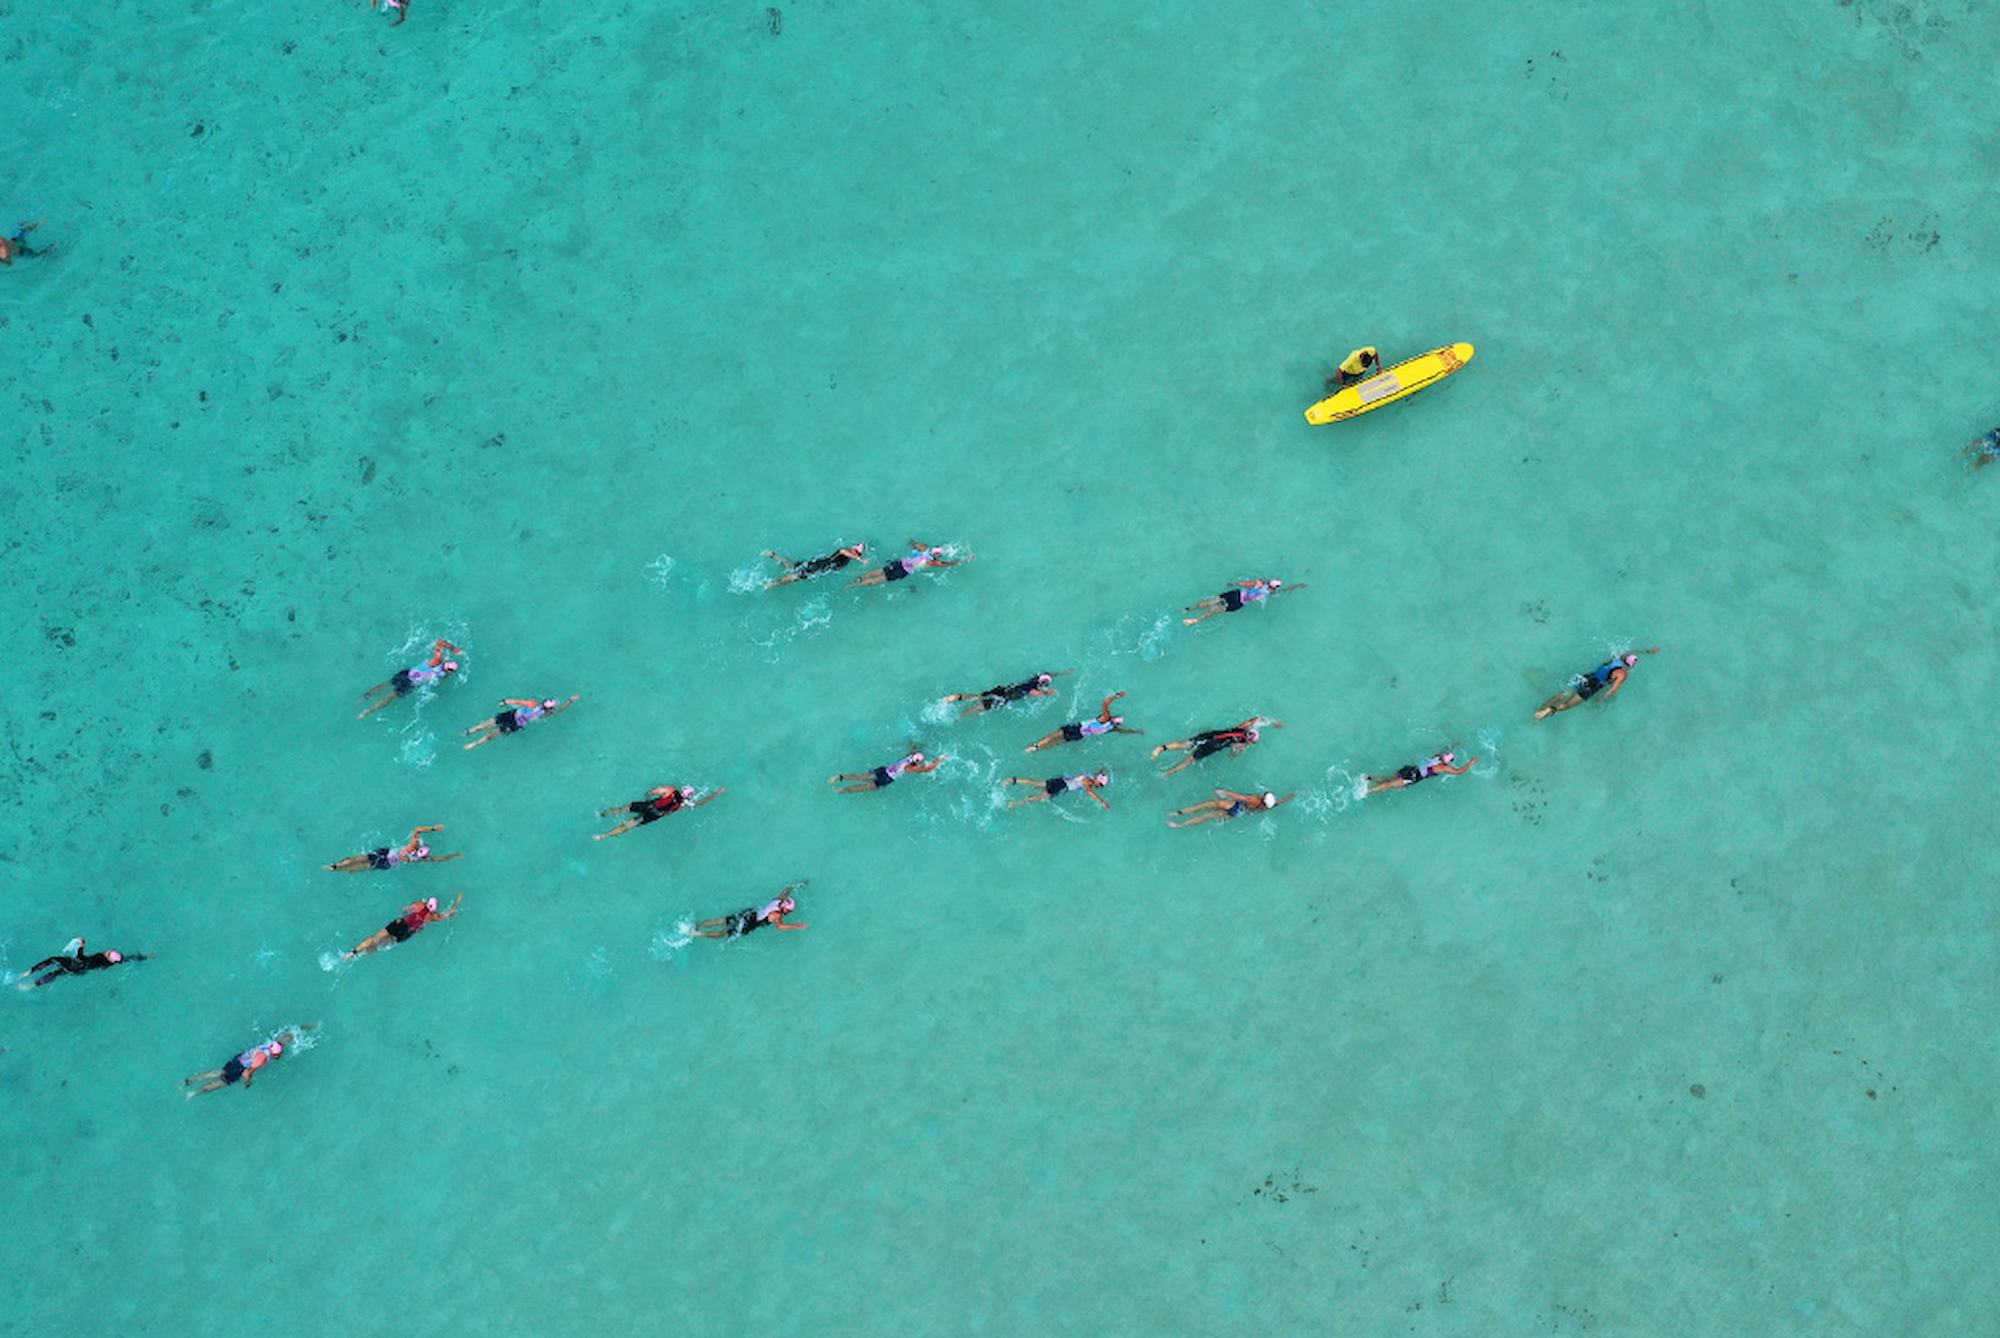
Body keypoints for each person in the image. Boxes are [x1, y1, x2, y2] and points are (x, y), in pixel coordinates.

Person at [182, 1023, 317, 1098]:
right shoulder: (262, 1059)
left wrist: (308, 1027)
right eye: (279, 1054)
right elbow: (247, 1071)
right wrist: (248, 1082)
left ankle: (190, 1080)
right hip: (241, 1068)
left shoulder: (272, 1045)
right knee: (222, 1082)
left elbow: (290, 1034)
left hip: (239, 1059)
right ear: (275, 1054)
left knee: (219, 1072)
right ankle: (194, 1093)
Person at [1534, 648, 1660, 720]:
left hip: (1588, 677)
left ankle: (1542, 707)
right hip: (1594, 686)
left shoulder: (1617, 659)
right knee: (1569, 704)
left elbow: (1632, 652)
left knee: (1565, 694)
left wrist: (1647, 651)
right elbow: (1613, 689)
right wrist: (1603, 697)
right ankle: (1551, 710)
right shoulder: (1622, 673)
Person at [358, 639, 463, 718]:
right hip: (410, 684)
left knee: (387, 684)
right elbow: (441, 678)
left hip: (407, 673)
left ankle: (365, 697)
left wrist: (453, 648)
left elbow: (439, 642)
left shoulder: (437, 660)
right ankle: (367, 712)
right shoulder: (443, 675)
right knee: (388, 699)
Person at [343, 894, 462, 960]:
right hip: (406, 932)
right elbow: (449, 914)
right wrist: (457, 902)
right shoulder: (431, 917)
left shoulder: (418, 905)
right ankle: (361, 955)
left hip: (400, 923)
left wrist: (409, 912)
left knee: (375, 937)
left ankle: (353, 952)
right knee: (380, 945)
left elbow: (404, 909)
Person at [1152, 718, 1279, 775]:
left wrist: (1272, 722)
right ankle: (1168, 772)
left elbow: (1254, 720)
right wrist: (1235, 754)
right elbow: (1234, 754)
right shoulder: (1242, 745)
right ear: (1250, 741)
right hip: (1214, 746)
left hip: (1211, 735)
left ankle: (1161, 748)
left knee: (1186, 744)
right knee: (1190, 759)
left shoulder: (1240, 728)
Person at [1024, 691, 1142, 752]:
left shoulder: (1105, 718)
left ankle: (1035, 746)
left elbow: (1106, 703)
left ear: (1112, 718)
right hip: (1080, 735)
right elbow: (1123, 731)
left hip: (1077, 728)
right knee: (1057, 742)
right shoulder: (1111, 728)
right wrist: (1136, 732)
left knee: (1053, 736)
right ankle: (1038, 749)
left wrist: (1117, 696)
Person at [595, 784, 724, 839]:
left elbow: (654, 791)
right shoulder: (684, 804)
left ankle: (603, 814)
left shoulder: (671, 790)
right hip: (654, 815)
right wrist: (717, 793)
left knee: (624, 809)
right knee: (628, 825)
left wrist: (648, 795)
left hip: (650, 806)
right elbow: (700, 803)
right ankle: (603, 836)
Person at [15, 937, 147, 990]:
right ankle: (30, 986)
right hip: (78, 971)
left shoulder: (99, 957)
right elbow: (127, 959)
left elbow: (80, 958)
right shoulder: (107, 964)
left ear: (107, 955)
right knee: (56, 974)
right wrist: (143, 957)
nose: (108, 951)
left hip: (75, 964)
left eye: (109, 952)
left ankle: (28, 972)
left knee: (52, 960)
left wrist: (81, 945)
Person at [325, 824, 462, 872]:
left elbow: (417, 829)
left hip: (386, 853)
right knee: (365, 866)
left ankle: (336, 866)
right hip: (388, 864)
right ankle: (341, 870)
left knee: (361, 858)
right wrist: (454, 856)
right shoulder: (419, 859)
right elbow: (439, 859)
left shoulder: (412, 846)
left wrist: (433, 828)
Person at [462, 694, 579, 749]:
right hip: (515, 721)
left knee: (490, 729)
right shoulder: (540, 709)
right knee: (491, 729)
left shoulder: (539, 708)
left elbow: (519, 702)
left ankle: (471, 737)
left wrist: (505, 701)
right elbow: (519, 702)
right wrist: (569, 701)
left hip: (515, 721)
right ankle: (473, 739)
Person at [696, 883, 808, 938]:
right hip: (752, 922)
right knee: (725, 932)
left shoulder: (779, 900)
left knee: (723, 921)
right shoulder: (777, 914)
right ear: (786, 910)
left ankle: (698, 924)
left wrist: (796, 885)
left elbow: (786, 891)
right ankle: (700, 934)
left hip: (750, 913)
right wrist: (796, 926)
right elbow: (780, 926)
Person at [1183, 579, 1303, 627]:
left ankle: (1188, 609)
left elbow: (1246, 584)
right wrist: (1298, 586)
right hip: (1239, 603)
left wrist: (1234, 583)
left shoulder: (1260, 582)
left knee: (1211, 602)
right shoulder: (1271, 593)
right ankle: (1195, 620)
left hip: (1237, 594)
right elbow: (1286, 590)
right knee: (1215, 611)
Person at [945, 670, 1066, 717]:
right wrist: (1046, 693)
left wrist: (1061, 673)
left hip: (1003, 690)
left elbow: (1048, 674)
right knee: (980, 707)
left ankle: (958, 697)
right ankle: (960, 716)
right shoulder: (1033, 687)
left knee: (980, 696)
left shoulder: (1033, 679)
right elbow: (1033, 692)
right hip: (1004, 698)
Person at [848, 541, 966, 588]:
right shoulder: (932, 561)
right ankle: (854, 585)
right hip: (902, 571)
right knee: (878, 579)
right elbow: (947, 564)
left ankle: (860, 578)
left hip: (899, 563)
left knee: (879, 571)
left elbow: (913, 543)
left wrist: (911, 542)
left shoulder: (924, 548)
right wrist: (962, 560)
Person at [1365, 750, 1475, 795]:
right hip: (1413, 777)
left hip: (1411, 769)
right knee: (1389, 785)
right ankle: (1368, 791)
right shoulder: (1443, 768)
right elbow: (1459, 771)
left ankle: (1370, 778)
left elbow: (1444, 750)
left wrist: (1455, 746)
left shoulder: (1437, 757)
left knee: (1389, 779)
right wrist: (1470, 763)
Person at [1167, 789, 1293, 828]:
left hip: (1235, 805)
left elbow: (1238, 796)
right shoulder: (1266, 807)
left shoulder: (1254, 799)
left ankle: (1179, 813)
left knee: (1205, 805)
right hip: (1238, 813)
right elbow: (1279, 802)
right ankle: (1179, 825)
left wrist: (1224, 792)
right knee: (1207, 816)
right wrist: (1292, 796)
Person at [764, 542, 867, 588]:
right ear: (852, 549)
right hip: (814, 568)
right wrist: (859, 558)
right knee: (792, 577)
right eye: (855, 551)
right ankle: (770, 585)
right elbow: (841, 551)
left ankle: (773, 556)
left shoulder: (847, 560)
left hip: (814, 566)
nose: (855, 553)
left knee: (791, 567)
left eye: (858, 553)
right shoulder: (843, 552)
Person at [830, 751, 945, 793]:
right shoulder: (910, 767)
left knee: (862, 776)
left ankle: (841, 777)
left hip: (884, 769)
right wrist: (939, 760)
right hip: (887, 778)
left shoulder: (909, 756)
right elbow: (928, 769)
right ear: (917, 762)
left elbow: (913, 749)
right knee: (867, 787)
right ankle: (843, 790)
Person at [1002, 770, 1111, 810]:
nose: (1099, 787)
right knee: (1038, 798)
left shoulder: (1091, 775)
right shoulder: (1088, 781)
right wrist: (1103, 802)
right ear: (1098, 780)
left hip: (1060, 781)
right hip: (1062, 787)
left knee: (1036, 782)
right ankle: (1014, 804)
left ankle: (1012, 780)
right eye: (1100, 785)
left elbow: (1099, 772)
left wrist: (1106, 769)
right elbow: (1089, 792)